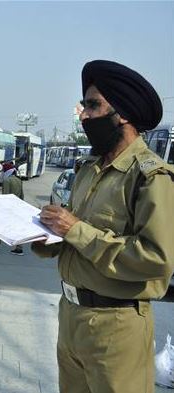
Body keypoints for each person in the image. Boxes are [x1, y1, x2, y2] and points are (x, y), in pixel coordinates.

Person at [33, 60, 174, 393]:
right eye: (84, 106)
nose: (84, 115)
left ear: (122, 113)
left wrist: (75, 230)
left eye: (93, 105)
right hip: (71, 317)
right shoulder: (89, 169)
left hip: (117, 326)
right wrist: (42, 236)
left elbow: (157, 258)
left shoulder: (150, 177)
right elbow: (72, 236)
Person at [0, 161, 25, 255]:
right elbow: (22, 196)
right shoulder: (19, 180)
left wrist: (1, 209)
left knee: (0, 227)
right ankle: (19, 248)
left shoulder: (7, 181)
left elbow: (5, 197)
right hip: (17, 208)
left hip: (8, 208)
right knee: (17, 229)